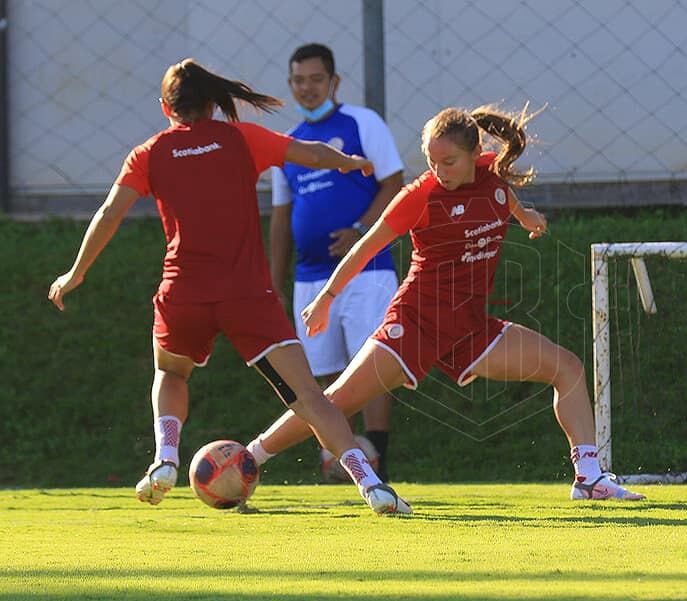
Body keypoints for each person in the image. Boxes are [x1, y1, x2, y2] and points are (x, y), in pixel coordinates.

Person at [47, 58, 411, 515]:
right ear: (213, 104)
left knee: (172, 373)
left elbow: (109, 213)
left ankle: (165, 459)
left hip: (184, 294)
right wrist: (349, 162)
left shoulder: (148, 154)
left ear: (166, 107)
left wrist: (76, 272)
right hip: (247, 296)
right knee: (308, 396)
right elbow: (314, 154)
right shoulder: (241, 138)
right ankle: (371, 483)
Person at [246, 104, 646, 501]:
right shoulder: (419, 196)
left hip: (470, 329)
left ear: (475, 154)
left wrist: (526, 217)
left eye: (449, 162)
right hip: (416, 323)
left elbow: (503, 198)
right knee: (335, 402)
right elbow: (365, 247)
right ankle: (250, 457)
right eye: (431, 161)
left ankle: (589, 478)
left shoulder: (492, 177)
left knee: (568, 369)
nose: (439, 171)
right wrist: (326, 298)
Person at [270, 43, 403, 480]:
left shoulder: (363, 123)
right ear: (290, 85)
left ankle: (379, 457)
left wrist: (360, 231)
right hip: (309, 278)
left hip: (367, 270)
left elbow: (394, 184)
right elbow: (281, 216)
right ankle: (343, 462)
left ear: (334, 82)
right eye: (299, 81)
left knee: (372, 364)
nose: (307, 88)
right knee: (324, 374)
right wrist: (273, 282)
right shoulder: (286, 144)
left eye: (316, 79)